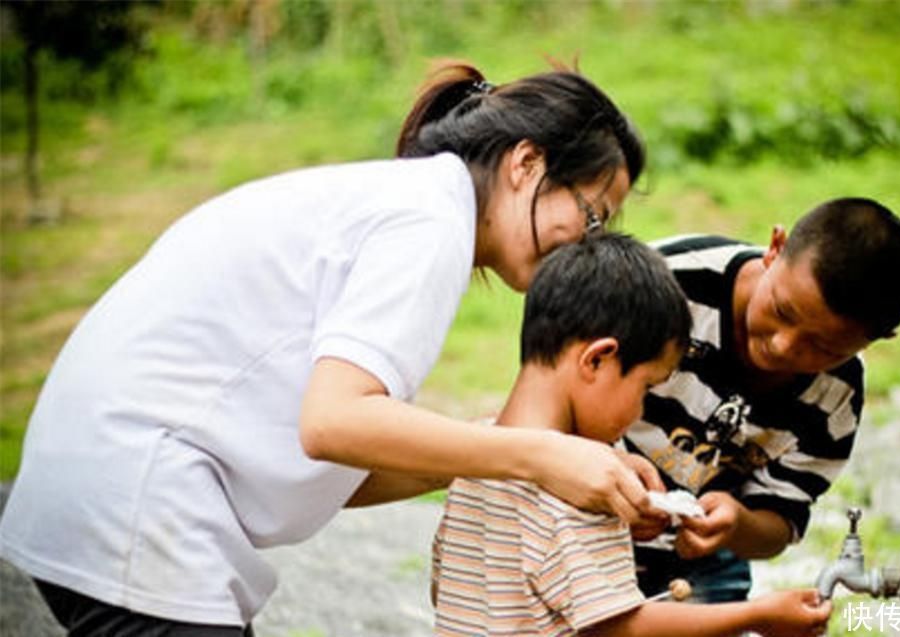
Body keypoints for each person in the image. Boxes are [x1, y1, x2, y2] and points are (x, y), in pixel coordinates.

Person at [0, 61, 655, 635]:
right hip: (139, 497)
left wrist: (541, 460)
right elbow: (335, 422)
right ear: (525, 162)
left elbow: (338, 460)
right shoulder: (428, 223)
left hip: (108, 486)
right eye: (593, 213)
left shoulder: (412, 202)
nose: (588, 242)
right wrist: (540, 454)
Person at [431, 233, 833, 637]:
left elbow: (444, 587)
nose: (641, 411)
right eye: (645, 387)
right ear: (597, 359)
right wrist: (757, 615)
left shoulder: (477, 460)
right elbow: (617, 627)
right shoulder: (583, 485)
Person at [624, 197, 900, 602]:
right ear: (775, 248)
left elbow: (779, 523)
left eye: (824, 347)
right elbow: (552, 400)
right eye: (783, 311)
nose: (784, 348)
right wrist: (607, 469)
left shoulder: (836, 397)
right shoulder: (664, 283)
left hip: (701, 565)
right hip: (577, 526)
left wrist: (737, 525)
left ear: (874, 339)